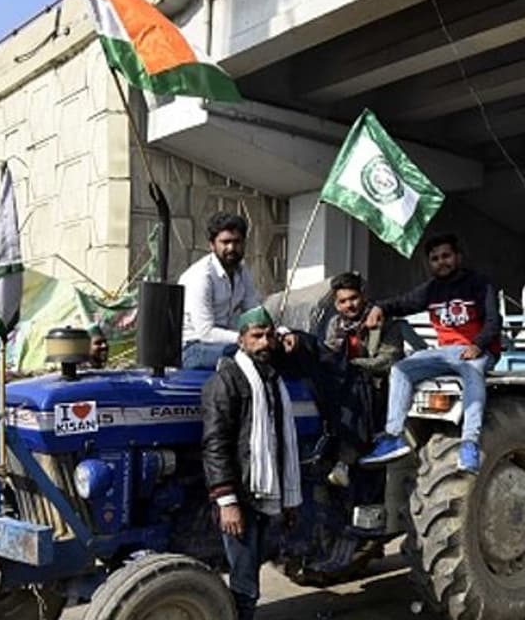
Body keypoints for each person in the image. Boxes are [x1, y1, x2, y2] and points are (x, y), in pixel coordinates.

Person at [359, 234, 501, 474]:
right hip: (445, 353)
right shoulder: (432, 289)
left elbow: (494, 321)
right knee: (400, 370)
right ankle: (394, 436)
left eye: (446, 256)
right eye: (434, 259)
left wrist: (477, 345)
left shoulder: (479, 284)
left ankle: (469, 444)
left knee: (472, 371)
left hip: (477, 350)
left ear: (458, 257)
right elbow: (402, 303)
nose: (440, 262)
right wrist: (379, 307)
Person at [201, 307, 302, 620]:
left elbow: (278, 442)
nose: (264, 342)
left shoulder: (272, 380)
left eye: (269, 335)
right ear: (242, 341)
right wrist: (227, 501)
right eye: (257, 336)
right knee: (245, 583)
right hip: (240, 496)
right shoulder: (226, 381)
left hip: (263, 494)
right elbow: (215, 444)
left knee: (249, 574)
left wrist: (289, 499)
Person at [318, 271, 404, 486]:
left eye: (353, 298)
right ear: (337, 305)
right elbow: (329, 354)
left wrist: (353, 366)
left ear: (363, 296)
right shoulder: (335, 324)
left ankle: (344, 461)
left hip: (375, 387)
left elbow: (389, 360)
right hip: (342, 386)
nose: (349, 305)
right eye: (343, 301)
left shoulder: (385, 322)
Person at [180, 212, 263, 370]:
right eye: (225, 242)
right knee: (247, 355)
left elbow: (254, 312)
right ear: (212, 245)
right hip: (193, 349)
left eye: (237, 242)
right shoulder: (201, 276)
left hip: (226, 343)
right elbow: (206, 332)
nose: (231, 248)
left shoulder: (242, 270)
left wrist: (276, 333)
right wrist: (244, 339)